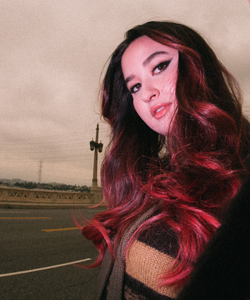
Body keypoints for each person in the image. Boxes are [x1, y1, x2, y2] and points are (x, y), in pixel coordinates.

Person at [81, 21, 250, 300]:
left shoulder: (240, 174)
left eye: (159, 67)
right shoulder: (151, 179)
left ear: (198, 66)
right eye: (134, 86)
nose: (146, 93)